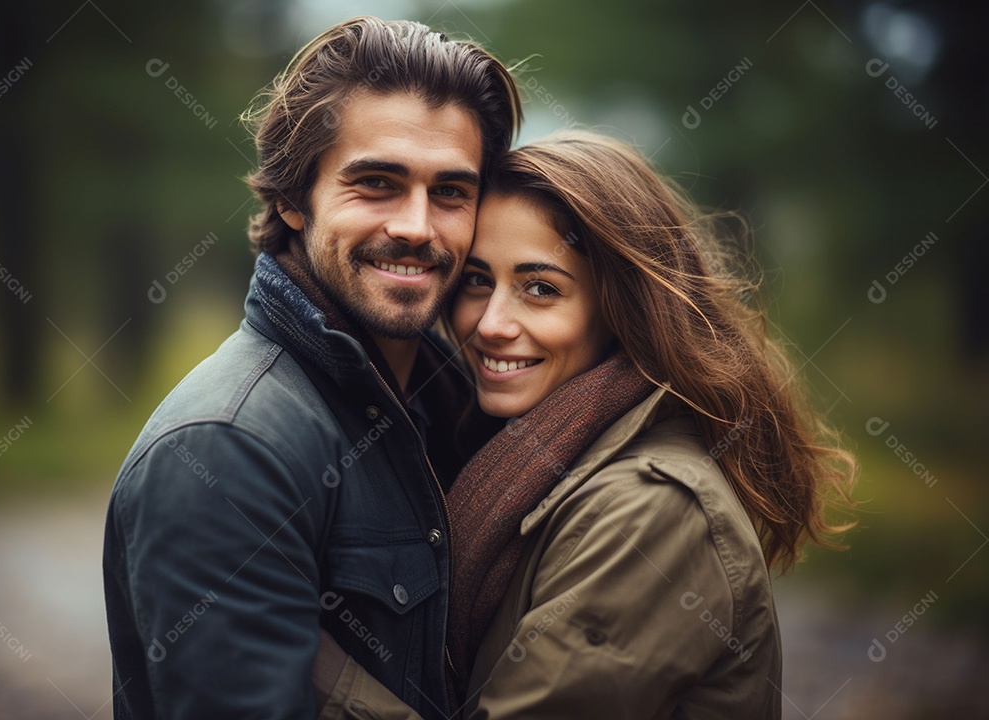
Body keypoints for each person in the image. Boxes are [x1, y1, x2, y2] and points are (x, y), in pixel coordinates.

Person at [316, 131, 856, 718]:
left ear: (622, 309)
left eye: (541, 289)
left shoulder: (649, 512)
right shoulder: (530, 452)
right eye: (477, 280)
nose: (492, 323)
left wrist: (305, 656)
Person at [102, 16, 521, 719]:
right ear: (294, 199)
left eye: (451, 191)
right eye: (378, 182)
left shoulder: (457, 408)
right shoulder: (226, 447)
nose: (417, 226)